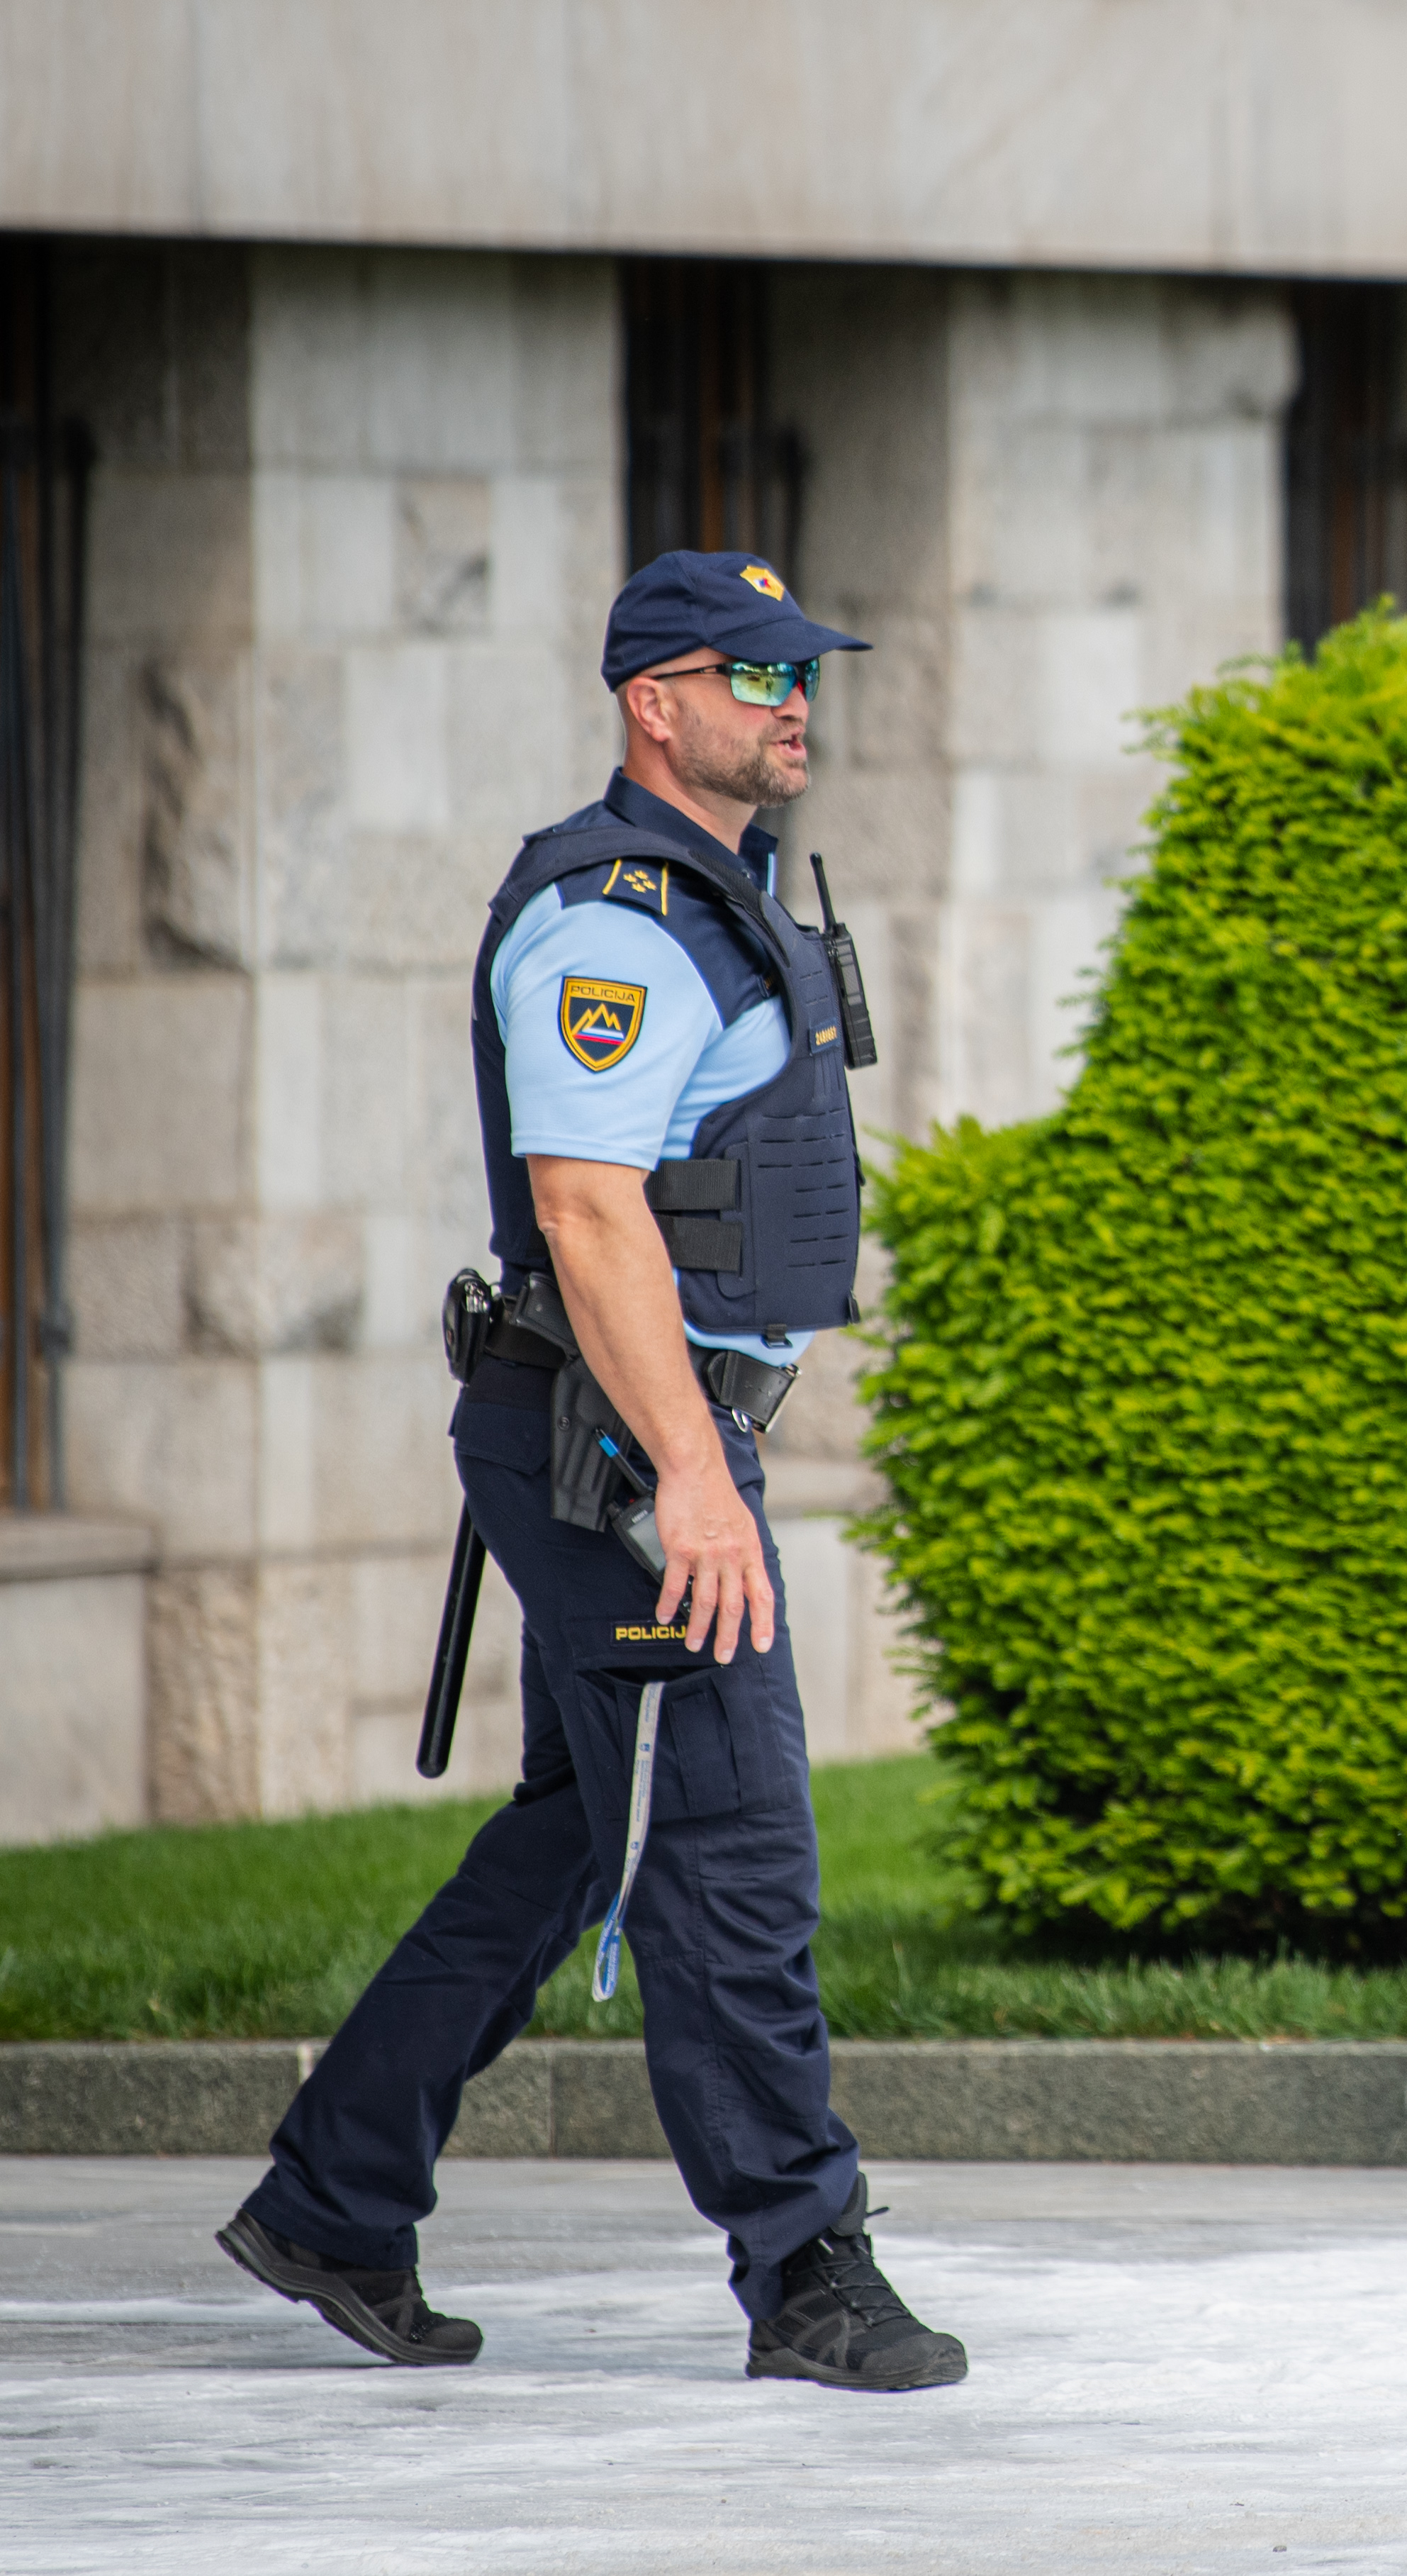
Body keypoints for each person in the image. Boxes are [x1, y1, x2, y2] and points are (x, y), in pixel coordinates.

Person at [217, 552, 967, 2393]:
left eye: (808, 674)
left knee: (581, 1838)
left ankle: (333, 2193)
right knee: (730, 1848)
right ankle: (807, 2273)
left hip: (638, 1434)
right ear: (657, 699)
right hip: (623, 1449)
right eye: (759, 674)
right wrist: (693, 1477)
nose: (799, 702)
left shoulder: (726, 895)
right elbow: (586, 1210)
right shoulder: (617, 915)